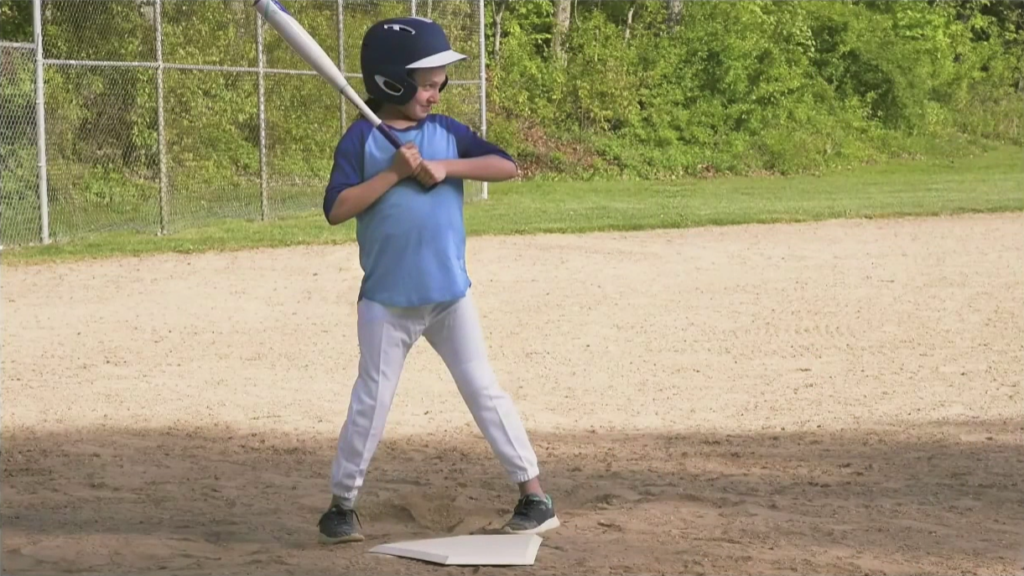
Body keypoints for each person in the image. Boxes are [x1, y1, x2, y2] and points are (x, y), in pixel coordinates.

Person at [315, 16, 559, 545]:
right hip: (387, 302)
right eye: (427, 82)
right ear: (391, 83)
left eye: (439, 81)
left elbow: (505, 165)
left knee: (483, 389)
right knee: (371, 401)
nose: (437, 90)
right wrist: (393, 174)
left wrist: (447, 168)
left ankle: (534, 496)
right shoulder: (360, 139)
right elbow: (337, 208)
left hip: (450, 297)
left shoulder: (446, 134)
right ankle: (342, 506)